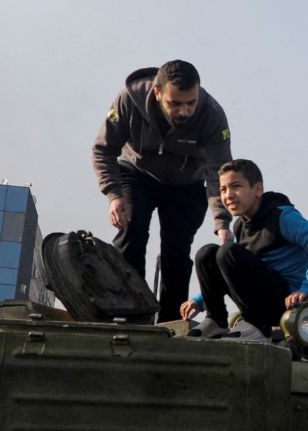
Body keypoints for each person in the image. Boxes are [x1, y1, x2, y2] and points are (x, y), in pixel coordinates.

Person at [92, 61, 234, 323]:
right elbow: (103, 149)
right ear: (158, 93)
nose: (185, 111)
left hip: (187, 184)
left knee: (176, 254)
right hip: (137, 173)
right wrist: (114, 195)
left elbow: (219, 172)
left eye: (190, 103)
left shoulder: (212, 115)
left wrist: (222, 222)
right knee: (131, 233)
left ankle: (170, 322)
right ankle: (132, 313)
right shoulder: (128, 100)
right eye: (176, 104)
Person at [181, 160, 308, 340]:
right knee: (207, 253)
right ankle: (216, 320)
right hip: (258, 298)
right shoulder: (240, 226)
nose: (228, 195)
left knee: (228, 251)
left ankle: (257, 325)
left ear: (258, 189)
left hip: (285, 304)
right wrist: (199, 300)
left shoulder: (282, 217)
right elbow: (230, 269)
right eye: (223, 189)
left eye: (235, 186)